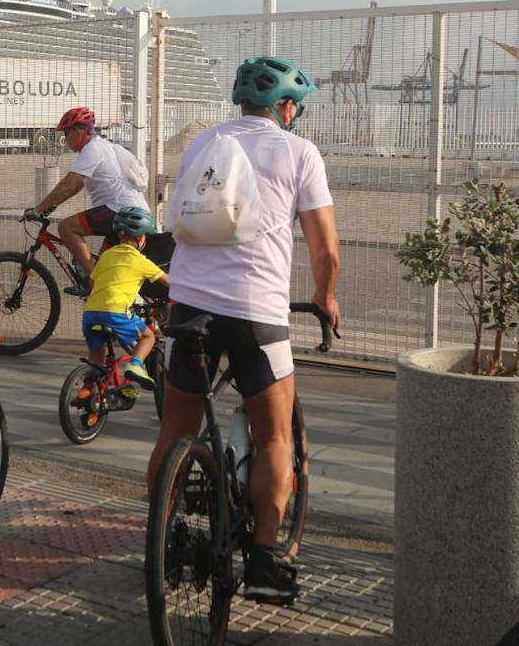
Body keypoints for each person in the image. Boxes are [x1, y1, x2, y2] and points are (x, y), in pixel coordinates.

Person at [146, 55, 341, 603]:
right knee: (276, 436)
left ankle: (161, 540)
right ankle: (262, 562)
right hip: (257, 315)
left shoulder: (202, 145)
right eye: (295, 108)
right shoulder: (299, 151)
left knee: (173, 434)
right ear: (285, 107)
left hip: (187, 311)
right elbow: (325, 247)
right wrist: (325, 298)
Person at [26, 106, 149, 295]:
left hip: (119, 211)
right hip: (134, 212)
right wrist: (52, 205)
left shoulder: (93, 149)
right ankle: (104, 292)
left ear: (78, 132)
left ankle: (94, 284)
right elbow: (76, 186)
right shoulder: (103, 146)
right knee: (107, 268)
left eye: (66, 133)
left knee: (66, 228)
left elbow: (70, 183)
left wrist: (39, 209)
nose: (65, 139)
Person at [77, 206, 168, 400]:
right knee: (148, 337)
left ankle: (88, 394)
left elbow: (94, 280)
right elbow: (167, 282)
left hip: (91, 312)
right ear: (142, 238)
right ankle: (135, 364)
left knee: (97, 360)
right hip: (116, 312)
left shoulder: (106, 256)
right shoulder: (140, 260)